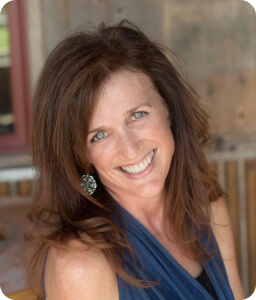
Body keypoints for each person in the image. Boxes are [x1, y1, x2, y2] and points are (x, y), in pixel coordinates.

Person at [28, 20, 245, 299]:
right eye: (100, 135)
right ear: (81, 156)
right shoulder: (80, 266)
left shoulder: (208, 208)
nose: (130, 150)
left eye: (138, 115)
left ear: (167, 106)